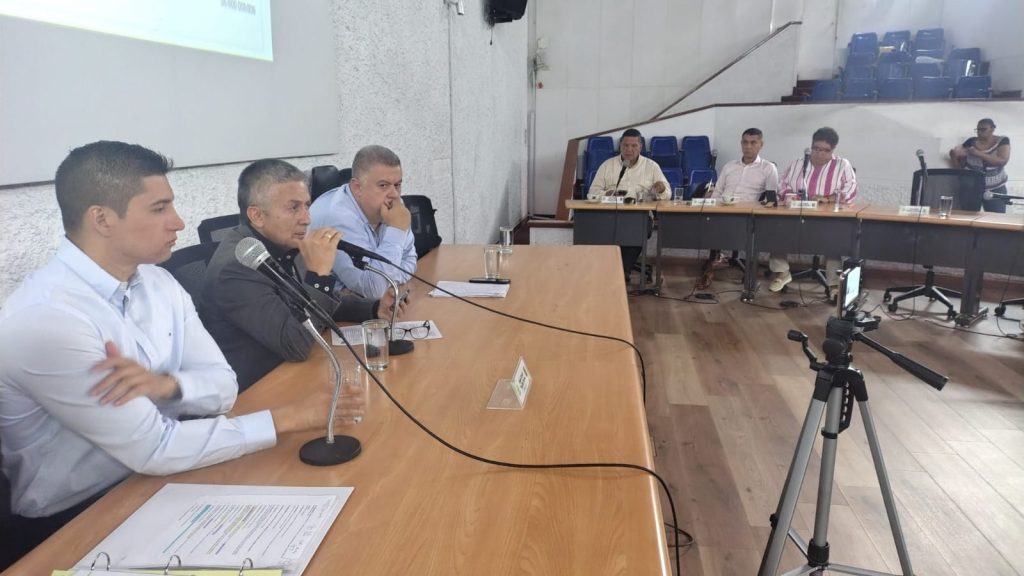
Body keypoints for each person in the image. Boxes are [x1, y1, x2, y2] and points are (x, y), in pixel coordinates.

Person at [0, 142, 364, 565]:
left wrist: (169, 386)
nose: (178, 222)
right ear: (101, 219)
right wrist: (287, 418)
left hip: (168, 476)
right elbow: (153, 447)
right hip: (77, 518)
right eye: (158, 209)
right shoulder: (47, 318)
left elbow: (224, 388)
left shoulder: (159, 283)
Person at [201, 159, 402, 392]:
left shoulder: (283, 243)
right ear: (256, 216)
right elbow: (295, 344)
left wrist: (373, 309)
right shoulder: (237, 269)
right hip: (260, 393)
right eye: (294, 208)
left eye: (307, 205)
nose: (306, 218)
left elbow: (310, 304)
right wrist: (319, 275)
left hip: (294, 373)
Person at [309, 145, 417, 299]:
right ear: (358, 187)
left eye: (397, 185)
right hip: (323, 312)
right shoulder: (338, 218)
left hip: (359, 307)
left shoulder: (392, 208)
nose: (394, 194)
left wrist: (385, 281)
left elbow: (410, 262)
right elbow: (372, 290)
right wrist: (396, 230)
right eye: (383, 185)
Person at [769, 127, 858, 292]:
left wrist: (828, 198)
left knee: (833, 244)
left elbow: (851, 190)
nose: (819, 154)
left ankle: (834, 286)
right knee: (777, 231)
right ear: (811, 146)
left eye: (826, 150)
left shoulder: (841, 165)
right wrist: (791, 196)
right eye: (816, 149)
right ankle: (782, 272)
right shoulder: (797, 164)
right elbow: (782, 185)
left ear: (833, 150)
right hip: (796, 216)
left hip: (827, 221)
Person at [697, 128, 779, 289]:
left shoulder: (768, 168)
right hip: (722, 209)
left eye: (753, 143)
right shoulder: (729, 166)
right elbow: (718, 191)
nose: (748, 146)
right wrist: (711, 207)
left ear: (760, 145)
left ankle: (740, 271)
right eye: (745, 142)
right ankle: (712, 264)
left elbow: (771, 200)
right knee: (710, 223)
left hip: (747, 215)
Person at [587, 128, 671, 280]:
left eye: (633, 146)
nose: (629, 150)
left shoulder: (651, 167)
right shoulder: (608, 165)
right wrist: (608, 194)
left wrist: (661, 187)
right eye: (625, 145)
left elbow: (667, 194)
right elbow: (592, 193)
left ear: (641, 147)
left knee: (636, 232)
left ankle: (620, 273)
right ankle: (609, 271)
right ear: (620, 146)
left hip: (640, 216)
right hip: (611, 214)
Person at [949, 118, 1012, 213]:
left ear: (992, 128)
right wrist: (954, 156)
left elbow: (1002, 161)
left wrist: (978, 153)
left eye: (983, 129)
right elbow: (960, 168)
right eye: (978, 130)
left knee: (996, 217)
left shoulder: (1002, 141)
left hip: (995, 188)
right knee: (966, 215)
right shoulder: (970, 142)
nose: (979, 132)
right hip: (971, 187)